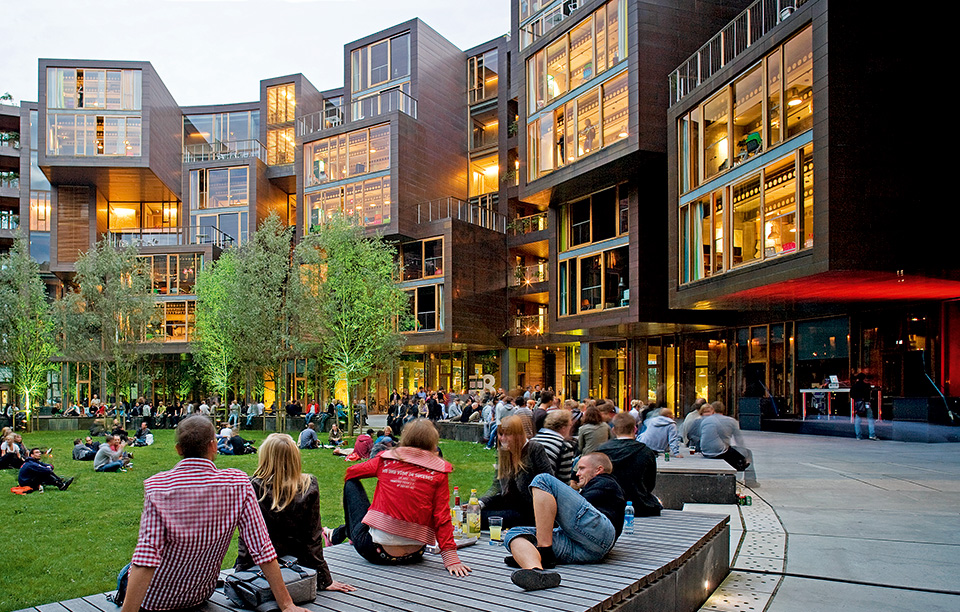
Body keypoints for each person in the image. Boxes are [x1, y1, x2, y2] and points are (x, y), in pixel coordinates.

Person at [120, 416, 309, 612]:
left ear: (178, 449)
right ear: (213, 446)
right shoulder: (238, 484)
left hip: (155, 600)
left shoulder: (158, 487)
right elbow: (262, 547)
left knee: (127, 571)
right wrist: (287, 605)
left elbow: (146, 558)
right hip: (197, 595)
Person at [324, 419, 471, 577]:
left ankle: (348, 534)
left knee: (351, 484)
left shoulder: (386, 460)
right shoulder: (438, 471)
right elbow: (441, 517)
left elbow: (351, 473)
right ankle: (341, 533)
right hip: (416, 553)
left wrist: (390, 476)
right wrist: (451, 559)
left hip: (376, 551)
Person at [235, 433, 354, 593]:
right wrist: (324, 578)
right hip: (297, 569)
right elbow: (312, 538)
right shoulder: (307, 486)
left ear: (265, 457)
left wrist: (240, 572)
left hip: (258, 571)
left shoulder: (251, 487)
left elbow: (247, 540)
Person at [503, 452, 625, 591]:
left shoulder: (606, 483)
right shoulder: (596, 488)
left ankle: (544, 551)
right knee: (515, 534)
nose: (577, 474)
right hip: (587, 550)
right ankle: (535, 570)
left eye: (582, 468)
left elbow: (574, 513)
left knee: (542, 480)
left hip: (602, 533)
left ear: (599, 469)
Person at [479, 415, 552, 529]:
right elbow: (496, 487)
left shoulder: (534, 449)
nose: (502, 438)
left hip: (528, 511)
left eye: (507, 434)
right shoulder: (503, 453)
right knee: (472, 512)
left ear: (518, 435)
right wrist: (479, 503)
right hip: (507, 504)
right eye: (500, 434)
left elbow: (549, 483)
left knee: (483, 519)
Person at [598, 413, 662, 516]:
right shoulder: (646, 451)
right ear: (635, 429)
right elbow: (650, 482)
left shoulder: (601, 450)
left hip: (610, 504)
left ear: (613, 430)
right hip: (640, 504)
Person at [700, 402, 758, 486]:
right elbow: (739, 440)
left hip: (705, 451)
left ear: (712, 410)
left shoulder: (706, 420)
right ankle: (750, 481)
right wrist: (743, 452)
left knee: (733, 452)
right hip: (720, 451)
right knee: (747, 453)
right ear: (724, 410)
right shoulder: (731, 421)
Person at [531, 409, 575, 484]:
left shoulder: (532, 440)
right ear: (563, 428)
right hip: (547, 488)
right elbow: (563, 481)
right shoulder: (564, 446)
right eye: (570, 425)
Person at [851, 373, 878, 441]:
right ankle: (872, 434)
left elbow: (852, 395)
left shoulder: (854, 386)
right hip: (866, 403)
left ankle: (858, 435)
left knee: (858, 420)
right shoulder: (866, 386)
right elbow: (869, 395)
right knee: (870, 419)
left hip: (859, 403)